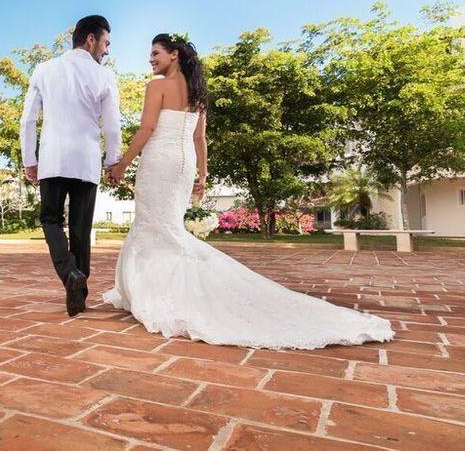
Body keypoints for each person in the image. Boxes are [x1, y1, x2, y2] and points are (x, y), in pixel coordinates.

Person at [103, 33, 394, 348]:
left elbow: (147, 129)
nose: (151, 59)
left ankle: (160, 294)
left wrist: (121, 166)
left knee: (154, 225)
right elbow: (200, 140)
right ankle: (161, 288)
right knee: (167, 226)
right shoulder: (198, 94)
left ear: (174, 55)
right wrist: (203, 174)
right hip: (183, 165)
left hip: (160, 161)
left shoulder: (156, 86)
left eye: (155, 52)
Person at [20, 15, 122, 316]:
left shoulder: (44, 69)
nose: (106, 51)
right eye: (105, 43)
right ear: (90, 39)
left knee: (50, 220)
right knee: (81, 228)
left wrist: (30, 159)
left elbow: (28, 120)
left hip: (53, 159)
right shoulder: (105, 77)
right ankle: (80, 286)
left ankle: (70, 275)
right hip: (86, 161)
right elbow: (112, 126)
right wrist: (112, 159)